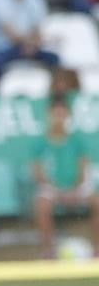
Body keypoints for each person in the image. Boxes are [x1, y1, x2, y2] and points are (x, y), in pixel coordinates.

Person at [32, 95, 98, 259]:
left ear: (68, 115)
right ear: (48, 115)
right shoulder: (40, 142)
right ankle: (49, 251)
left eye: (62, 114)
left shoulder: (77, 140)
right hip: (52, 189)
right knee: (41, 205)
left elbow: (84, 167)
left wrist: (75, 189)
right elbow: (38, 172)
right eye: (55, 114)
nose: (58, 118)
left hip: (77, 187)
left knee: (97, 202)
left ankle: (97, 248)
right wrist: (57, 191)